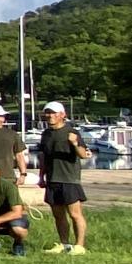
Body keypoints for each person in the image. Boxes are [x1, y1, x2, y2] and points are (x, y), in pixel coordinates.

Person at [35, 101, 92, 255]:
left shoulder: (71, 132)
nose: (50, 116)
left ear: (62, 115)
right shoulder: (46, 134)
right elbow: (44, 157)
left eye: (54, 113)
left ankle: (79, 246)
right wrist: (41, 176)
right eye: (48, 112)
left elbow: (83, 155)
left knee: (75, 214)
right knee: (58, 215)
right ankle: (64, 244)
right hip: (52, 179)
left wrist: (74, 143)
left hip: (69, 179)